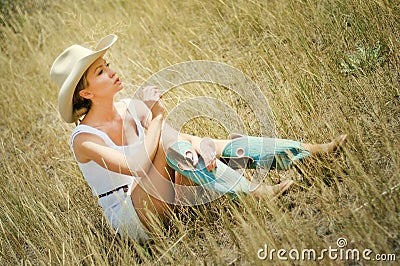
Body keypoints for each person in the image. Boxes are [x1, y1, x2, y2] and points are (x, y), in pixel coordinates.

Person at [50, 34, 347, 242]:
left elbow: (170, 142)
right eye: (101, 71)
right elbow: (136, 165)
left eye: (108, 65)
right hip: (134, 219)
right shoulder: (83, 139)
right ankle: (257, 193)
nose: (113, 72)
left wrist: (201, 145)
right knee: (167, 140)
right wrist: (158, 116)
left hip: (166, 192)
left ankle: (310, 151)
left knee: (187, 143)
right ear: (86, 93)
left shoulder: (128, 107)